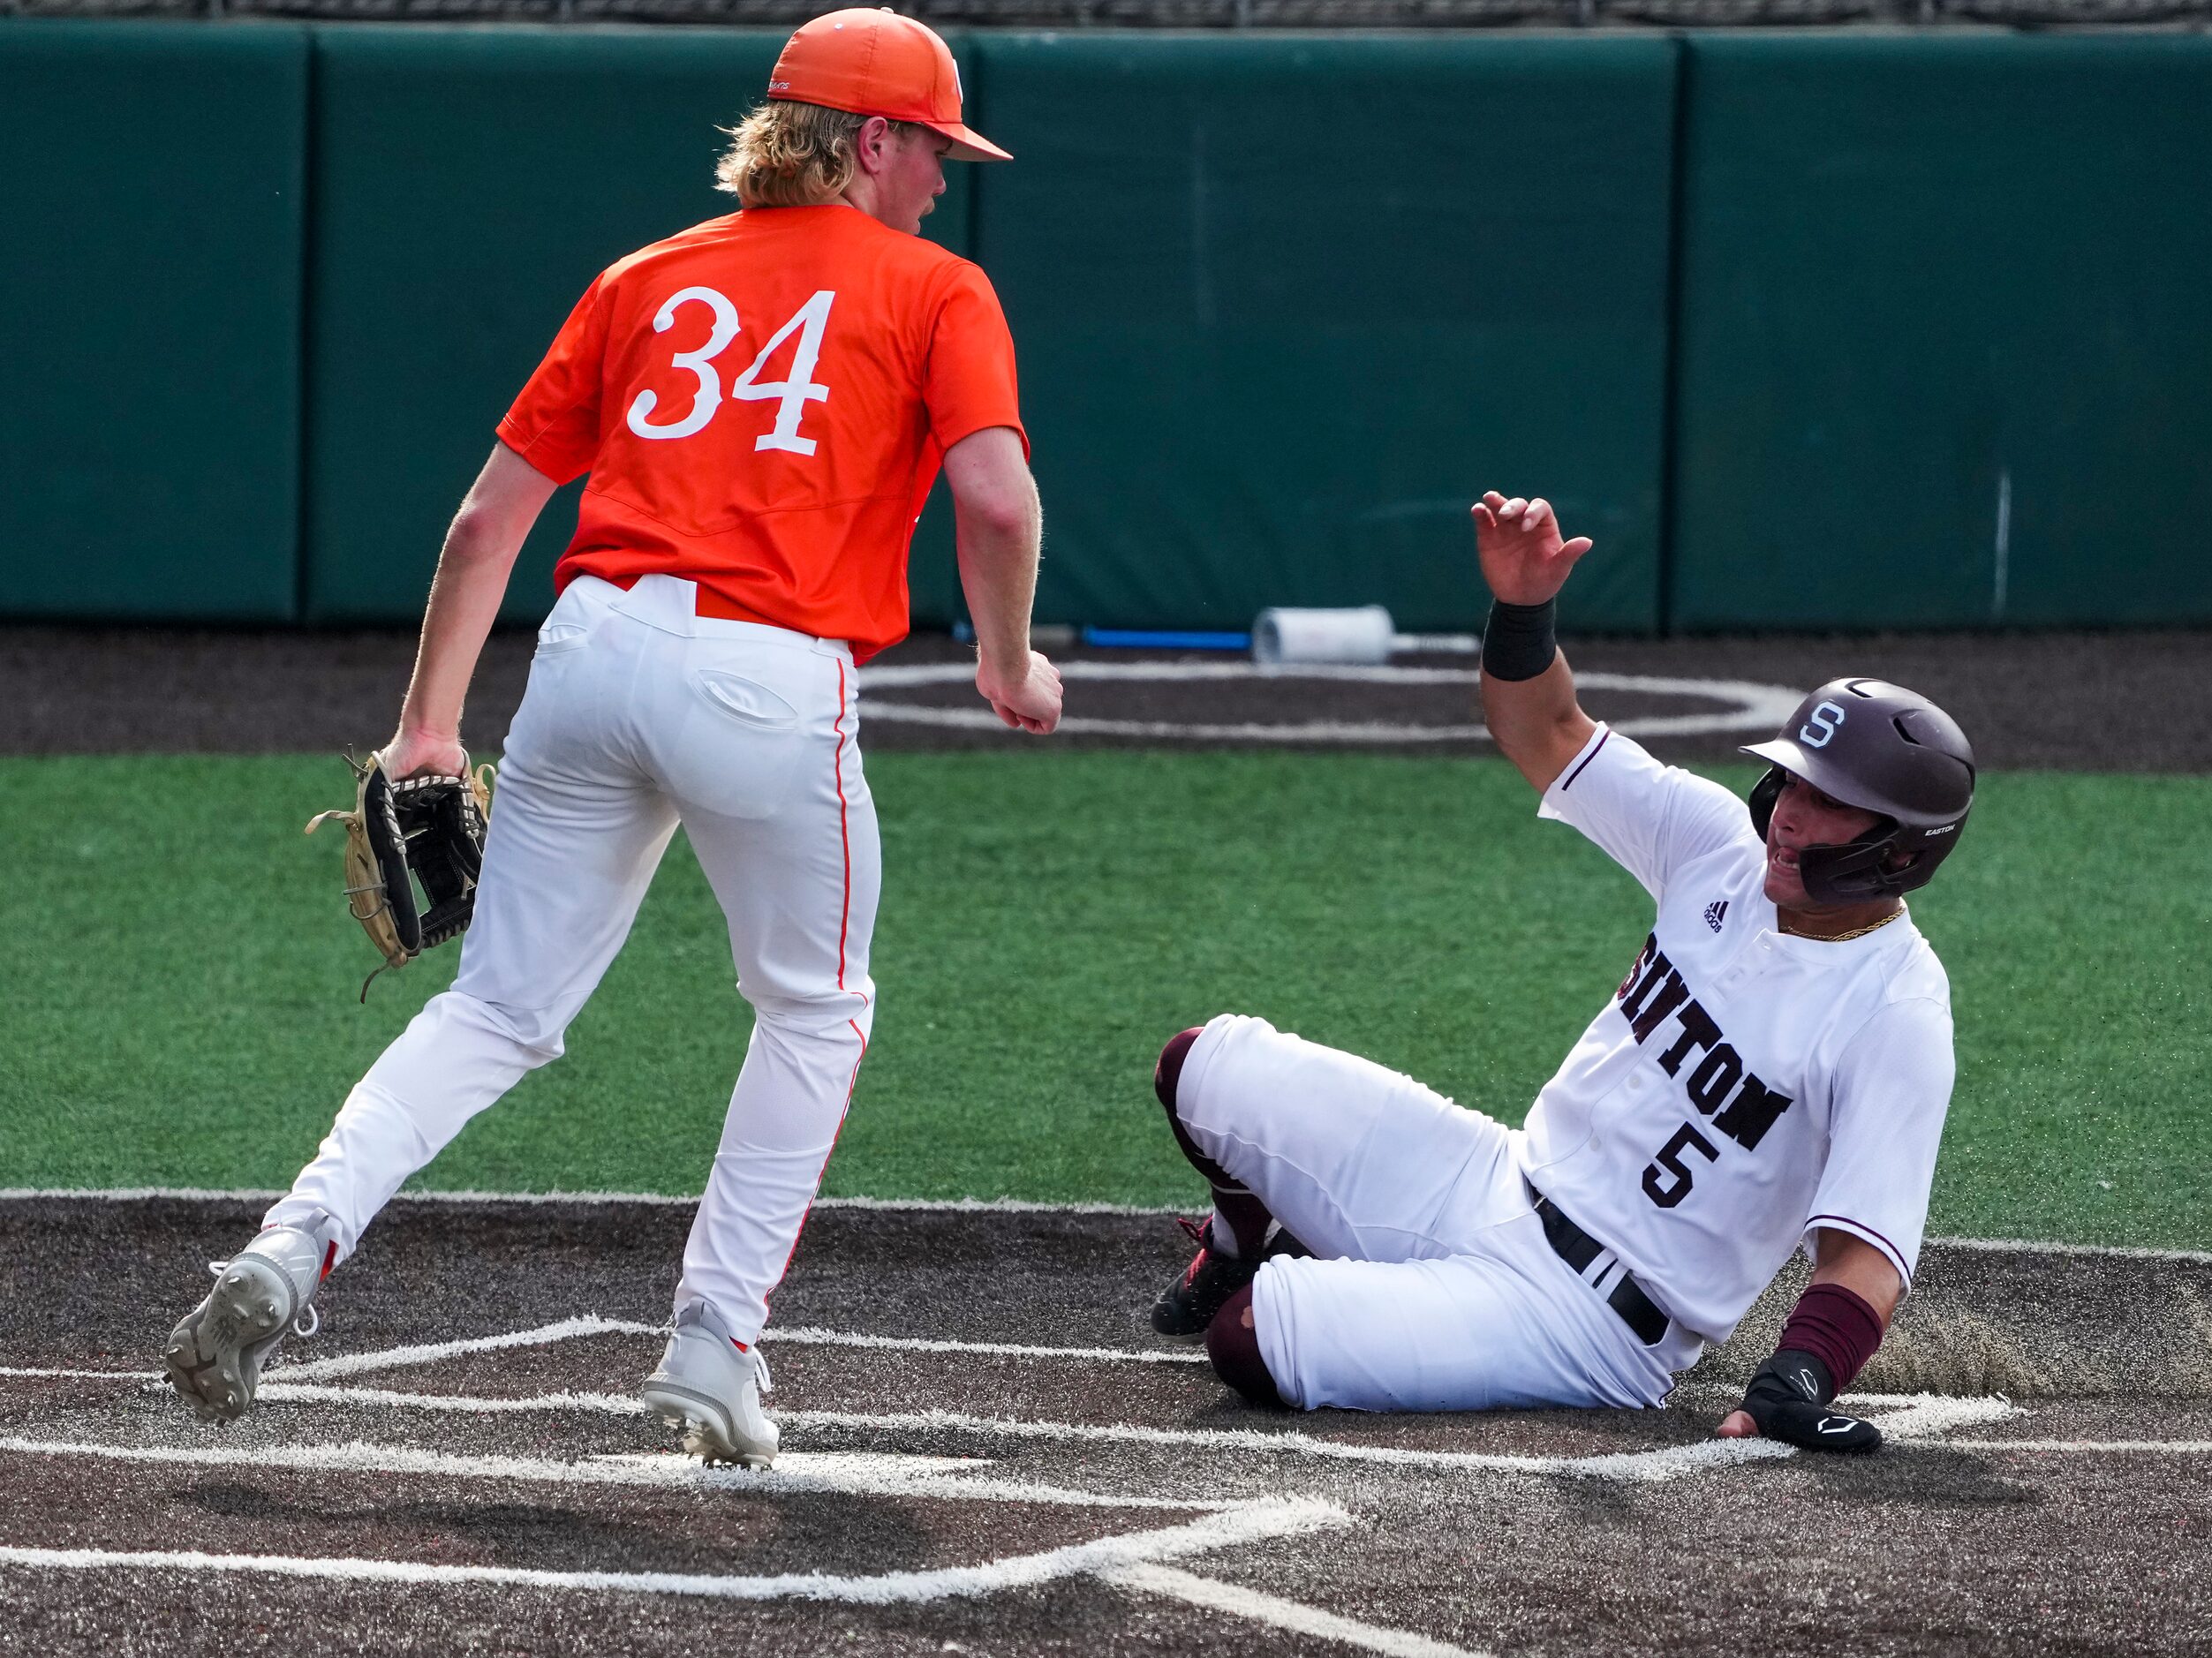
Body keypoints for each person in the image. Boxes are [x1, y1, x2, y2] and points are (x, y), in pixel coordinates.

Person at [165, 9, 1057, 1469]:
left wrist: (430, 726)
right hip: (770, 678)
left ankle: (292, 1241)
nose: (946, 180)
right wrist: (1010, 662)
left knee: (496, 1012)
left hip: (587, 654)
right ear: (873, 141)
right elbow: (1003, 503)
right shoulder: (938, 290)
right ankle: (713, 1339)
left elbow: (484, 520)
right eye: (935, 150)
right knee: (815, 1007)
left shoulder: (646, 276)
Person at [1145, 492, 1974, 1449]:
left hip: (1586, 1326)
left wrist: (1799, 1375)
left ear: (1902, 851)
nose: (1787, 809)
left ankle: (1311, 1287)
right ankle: (1241, 1244)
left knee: (1247, 1346)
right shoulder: (1718, 848)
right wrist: (1525, 608)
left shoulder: (1896, 1008)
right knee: (1200, 1065)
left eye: (1828, 800)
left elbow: (1865, 1249)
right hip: (1491, 1176)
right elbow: (1542, 730)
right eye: (1790, 777)